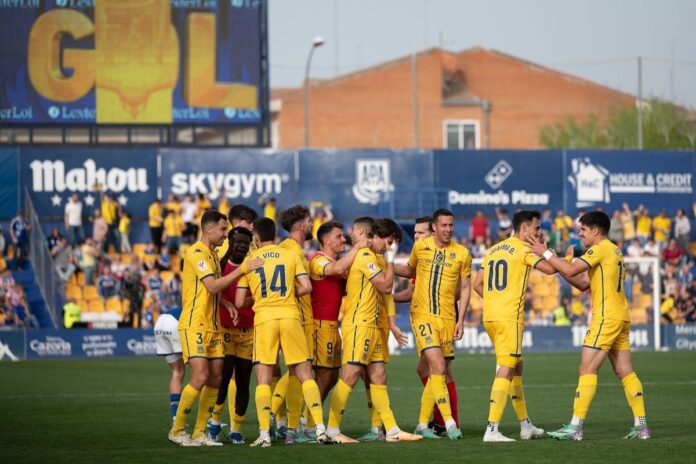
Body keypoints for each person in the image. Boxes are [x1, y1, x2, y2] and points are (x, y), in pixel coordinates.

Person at [527, 210, 650, 440]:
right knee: (624, 371)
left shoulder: (600, 249)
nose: (580, 234)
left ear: (595, 230)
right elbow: (583, 283)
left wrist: (546, 253)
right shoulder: (614, 250)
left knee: (587, 369)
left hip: (605, 317)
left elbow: (573, 271)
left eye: (583, 230)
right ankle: (641, 426)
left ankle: (575, 427)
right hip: (620, 316)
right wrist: (563, 264)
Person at [235, 217, 335, 447]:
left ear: (256, 238)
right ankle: (320, 429)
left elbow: (240, 301)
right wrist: (287, 294)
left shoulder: (250, 261)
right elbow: (307, 287)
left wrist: (261, 295)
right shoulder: (290, 255)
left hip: (265, 319)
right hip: (291, 316)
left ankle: (263, 435)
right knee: (304, 374)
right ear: (275, 236)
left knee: (263, 377)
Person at [168, 210, 261, 447]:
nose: (225, 234)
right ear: (209, 229)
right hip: (194, 324)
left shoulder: (211, 254)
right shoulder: (196, 252)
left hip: (214, 326)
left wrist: (226, 303)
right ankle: (177, 429)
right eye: (222, 229)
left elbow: (213, 291)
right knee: (200, 376)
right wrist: (243, 269)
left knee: (217, 378)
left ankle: (200, 432)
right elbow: (211, 286)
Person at [326, 217, 421, 443]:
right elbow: (386, 285)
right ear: (376, 236)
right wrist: (390, 258)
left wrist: (392, 324)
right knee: (350, 375)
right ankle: (331, 430)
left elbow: (385, 294)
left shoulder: (377, 256)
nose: (391, 247)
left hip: (374, 326)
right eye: (389, 242)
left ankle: (392, 431)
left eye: (394, 244)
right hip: (360, 323)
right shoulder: (366, 256)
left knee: (379, 376)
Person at [472, 210, 556, 442]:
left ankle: (525, 425)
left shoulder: (494, 249)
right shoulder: (523, 249)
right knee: (507, 369)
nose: (539, 232)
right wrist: (547, 250)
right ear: (525, 228)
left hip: (491, 316)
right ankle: (491, 429)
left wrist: (495, 302)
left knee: (516, 366)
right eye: (537, 228)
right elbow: (551, 269)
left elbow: (477, 284)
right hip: (509, 318)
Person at [395, 208, 470, 440]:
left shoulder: (463, 254)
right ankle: (449, 423)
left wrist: (461, 319)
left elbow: (465, 288)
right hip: (423, 315)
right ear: (435, 227)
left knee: (434, 370)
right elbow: (409, 271)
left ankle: (422, 424)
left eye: (451, 225)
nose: (448, 229)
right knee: (437, 366)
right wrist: (386, 264)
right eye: (444, 225)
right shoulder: (421, 248)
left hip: (447, 317)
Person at [307, 222, 367, 437]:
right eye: (339, 236)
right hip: (318, 325)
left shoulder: (338, 261)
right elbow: (338, 269)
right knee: (318, 375)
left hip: (332, 326)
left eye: (344, 236)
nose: (344, 240)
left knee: (330, 377)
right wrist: (358, 246)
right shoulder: (317, 259)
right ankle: (302, 422)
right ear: (326, 240)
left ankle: (304, 420)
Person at [208, 227, 256, 445]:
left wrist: (250, 301)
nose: (242, 246)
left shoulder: (254, 265)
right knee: (223, 377)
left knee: (244, 381)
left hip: (249, 330)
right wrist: (228, 305)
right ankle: (215, 421)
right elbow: (212, 290)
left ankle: (237, 428)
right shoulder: (220, 265)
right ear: (230, 242)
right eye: (238, 242)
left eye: (246, 243)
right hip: (225, 330)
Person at [273, 205, 316, 441]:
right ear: (300, 225)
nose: (312, 225)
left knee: (295, 372)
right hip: (297, 319)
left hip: (297, 318)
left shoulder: (289, 248)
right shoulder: (291, 250)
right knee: (299, 372)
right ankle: (291, 427)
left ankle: (287, 424)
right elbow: (292, 287)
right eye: (309, 221)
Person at [154, 306, 185, 425]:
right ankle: (208, 419)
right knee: (202, 373)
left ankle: (176, 418)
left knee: (177, 372)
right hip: (175, 323)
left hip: (160, 322)